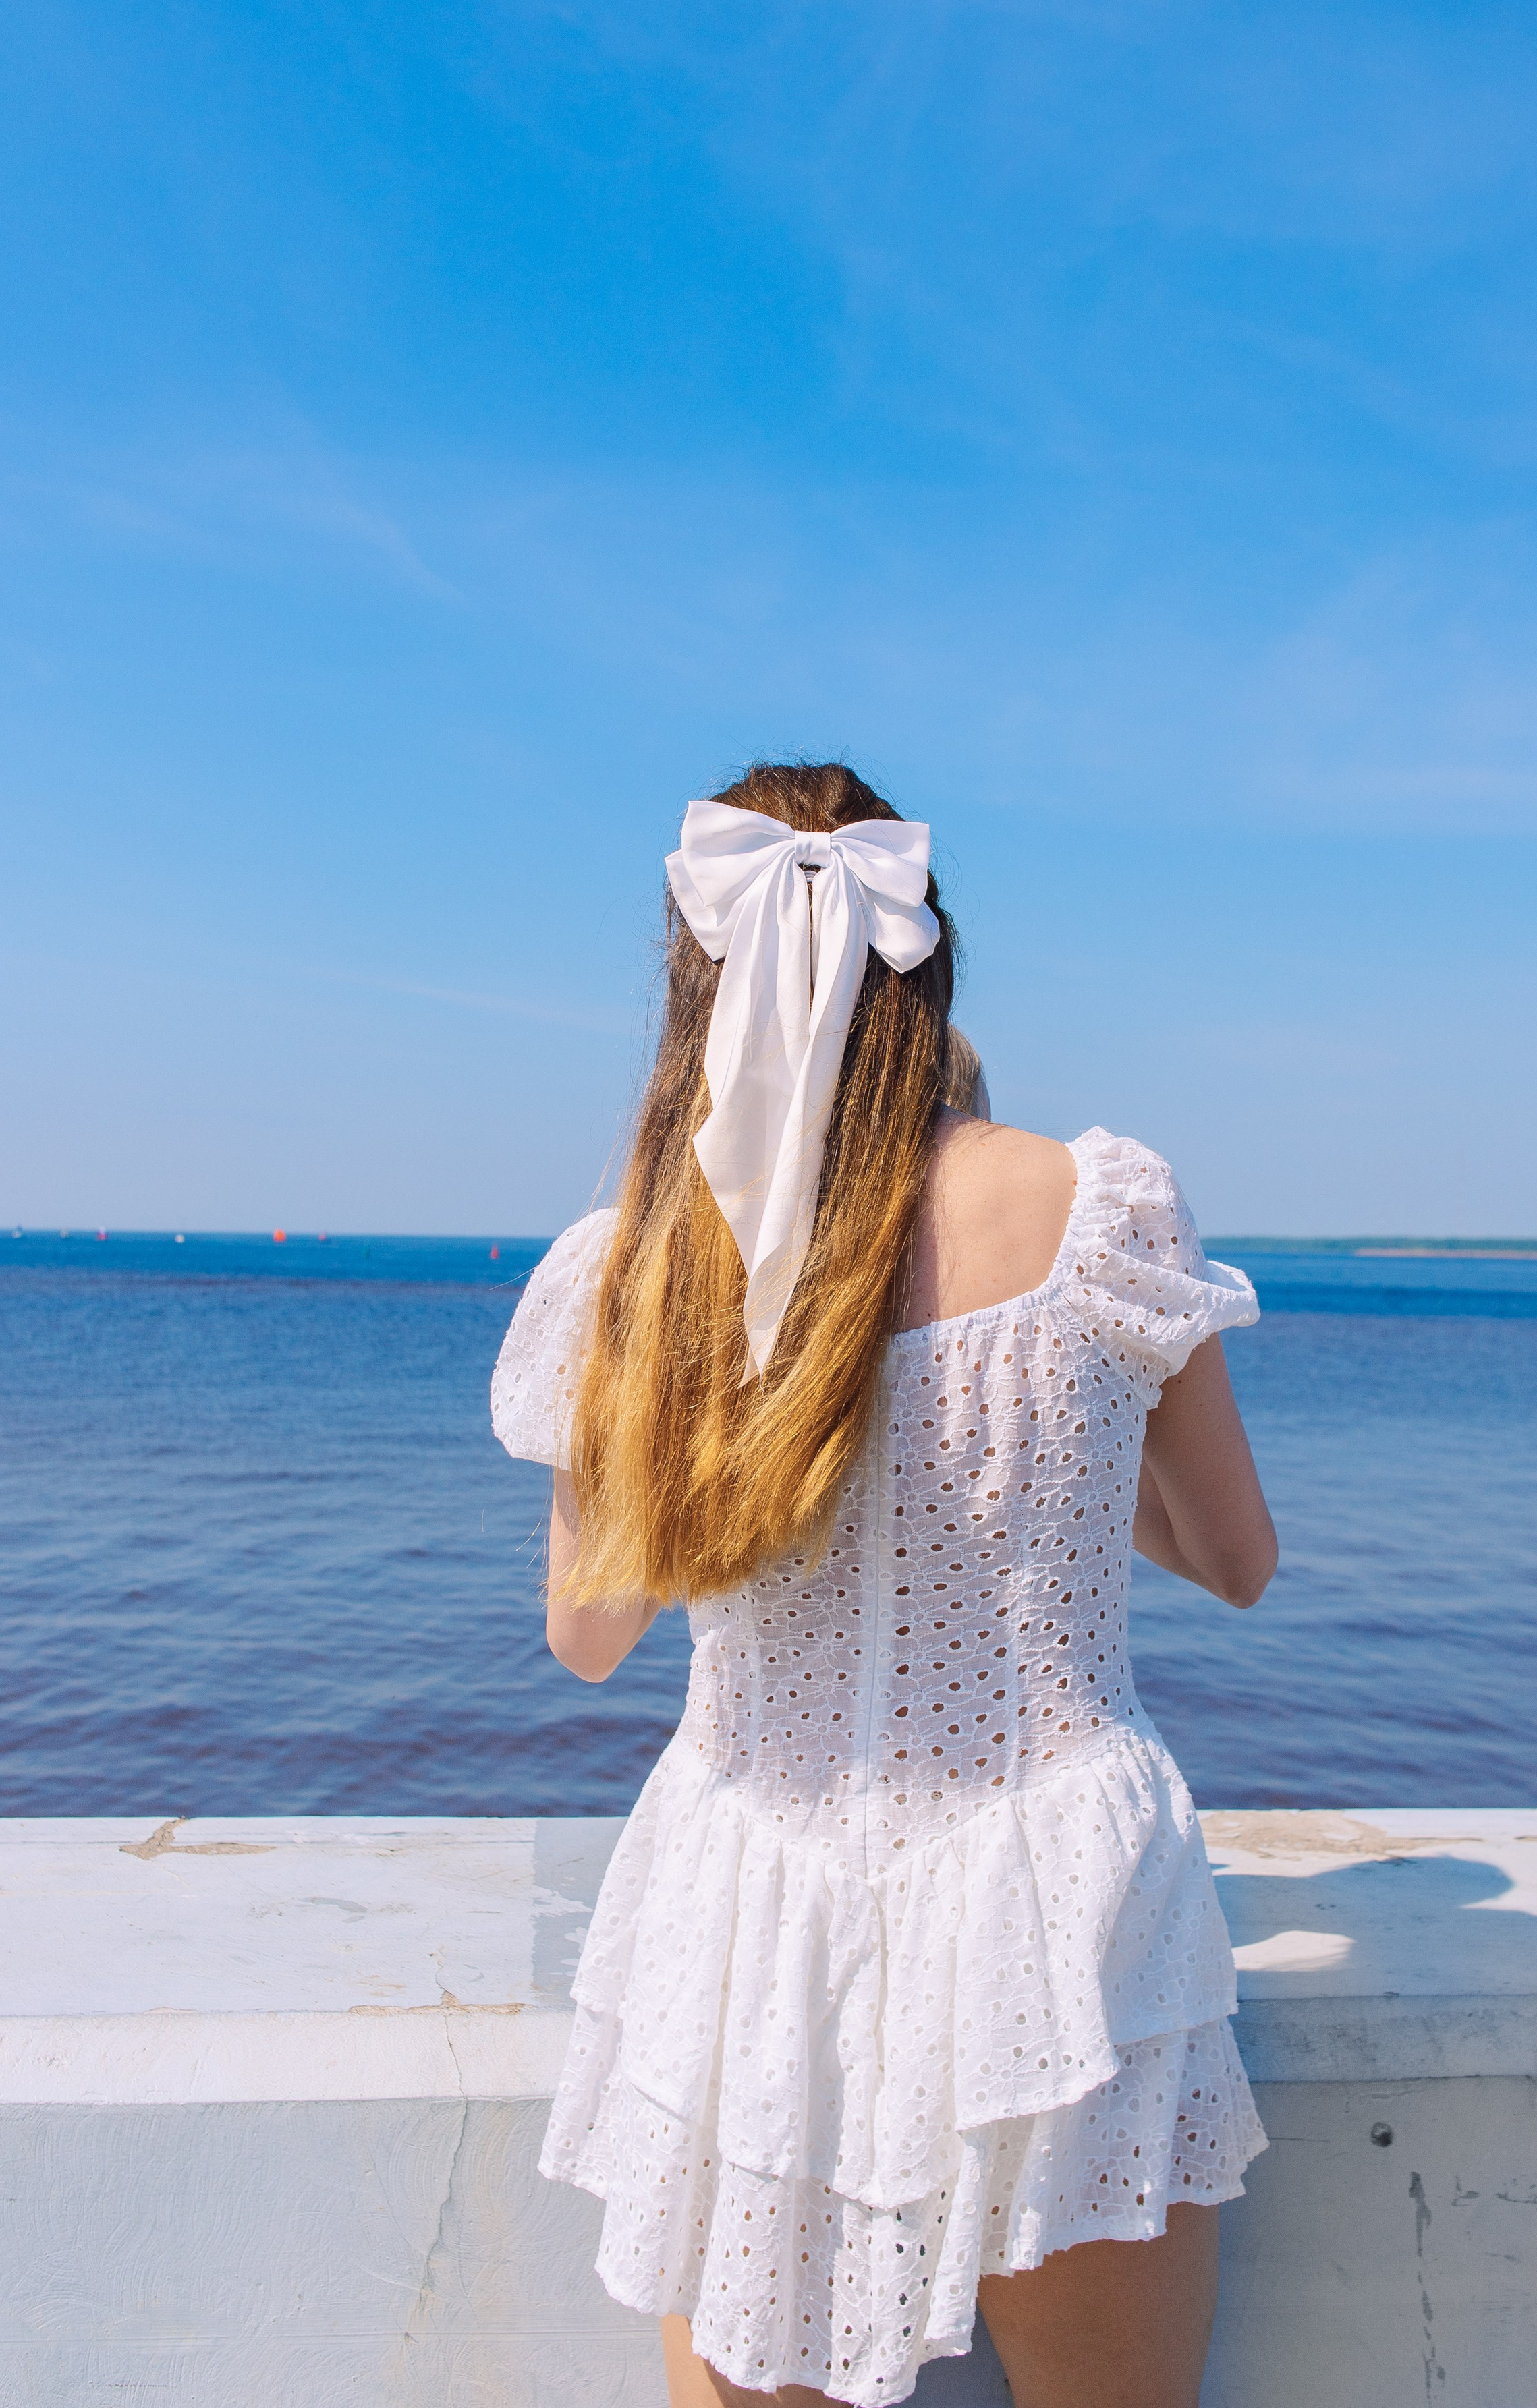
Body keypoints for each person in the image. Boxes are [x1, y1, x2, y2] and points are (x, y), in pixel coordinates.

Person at [491, 760, 1278, 2408]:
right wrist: (1049, 1451)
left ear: (695, 984)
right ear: (926, 966)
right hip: (1053, 1903)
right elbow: (1234, 1559)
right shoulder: (1097, 1204)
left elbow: (586, 1634)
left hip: (749, 1905)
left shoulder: (635, 1259)